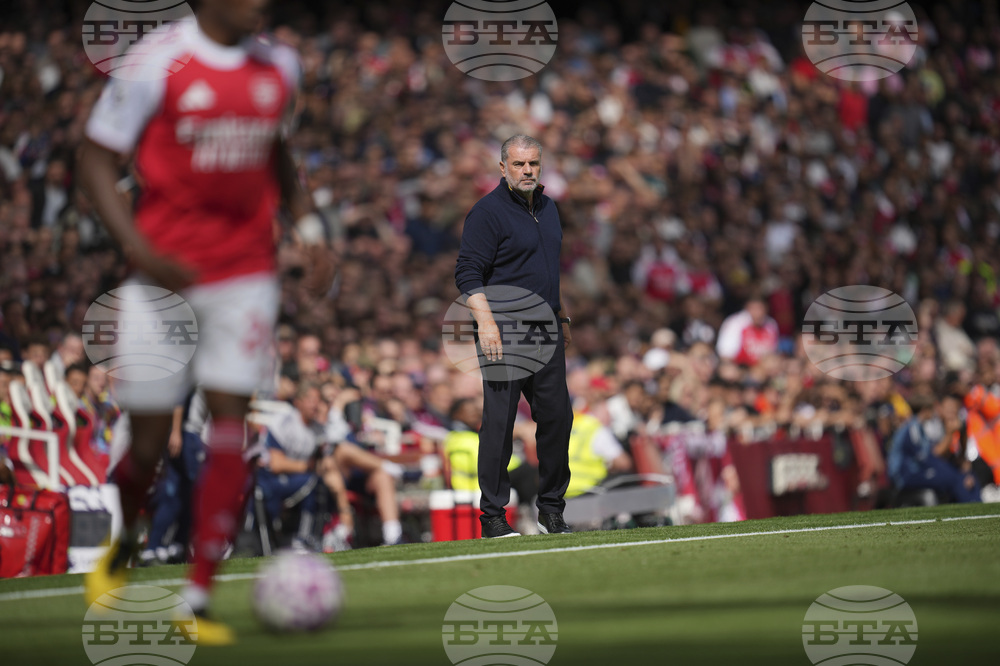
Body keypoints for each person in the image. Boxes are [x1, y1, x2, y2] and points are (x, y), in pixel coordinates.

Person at [78, 0, 309, 644]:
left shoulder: (281, 65)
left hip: (247, 273)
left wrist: (308, 226)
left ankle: (198, 597)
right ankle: (121, 542)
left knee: (230, 422)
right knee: (150, 441)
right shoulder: (157, 61)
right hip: (163, 276)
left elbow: (278, 153)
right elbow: (94, 159)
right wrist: (140, 248)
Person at [454, 135, 573, 538]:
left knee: (558, 417)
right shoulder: (486, 213)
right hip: (503, 328)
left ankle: (551, 511)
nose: (527, 171)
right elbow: (467, 273)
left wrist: (562, 315)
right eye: (519, 164)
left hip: (547, 328)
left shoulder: (549, 207)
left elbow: (547, 269)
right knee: (500, 425)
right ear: (502, 167)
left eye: (534, 164)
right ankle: (492, 517)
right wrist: (486, 324)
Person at [887, 392, 980, 504]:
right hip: (907, 475)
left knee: (957, 474)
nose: (933, 412)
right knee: (951, 477)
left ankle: (973, 503)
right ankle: (970, 505)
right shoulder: (912, 429)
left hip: (916, 470)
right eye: (931, 409)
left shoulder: (917, 427)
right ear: (925, 410)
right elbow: (924, 457)